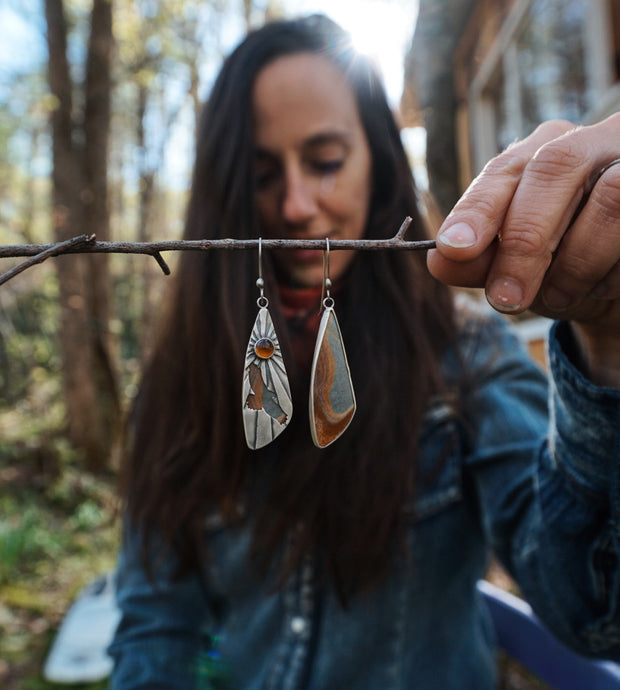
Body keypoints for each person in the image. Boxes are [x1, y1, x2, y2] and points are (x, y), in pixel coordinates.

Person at [108, 14, 620, 690]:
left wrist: (607, 348)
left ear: (378, 164)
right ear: (224, 190)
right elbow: (153, 630)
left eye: (324, 161)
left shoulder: (467, 354)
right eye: (261, 174)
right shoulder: (177, 387)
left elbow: (592, 614)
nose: (295, 205)